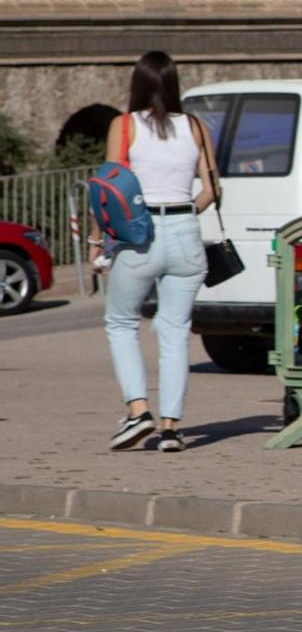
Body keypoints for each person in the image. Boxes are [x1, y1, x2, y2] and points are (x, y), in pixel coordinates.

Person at [96, 50, 218, 454]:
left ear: (137, 85)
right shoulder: (197, 127)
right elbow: (212, 190)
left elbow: (110, 189)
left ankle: (137, 411)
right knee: (174, 331)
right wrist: (184, 213)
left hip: (140, 233)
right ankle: (171, 429)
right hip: (185, 234)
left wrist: (99, 242)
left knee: (120, 322)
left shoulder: (124, 126)